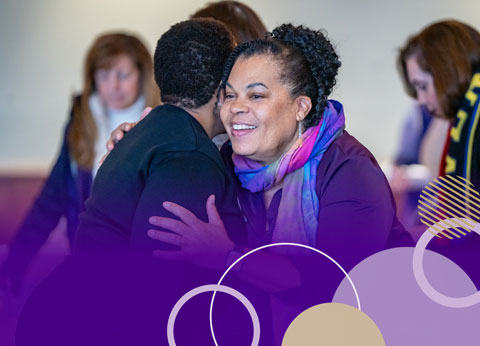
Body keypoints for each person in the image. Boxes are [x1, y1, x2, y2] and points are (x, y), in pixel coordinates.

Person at [112, 23, 414, 344]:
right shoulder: (229, 160)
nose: (236, 108)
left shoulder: (347, 168)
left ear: (301, 107)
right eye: (229, 95)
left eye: (256, 95)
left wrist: (227, 256)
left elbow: (333, 282)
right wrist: (138, 142)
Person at [15, 18, 247, 346]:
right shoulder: (188, 154)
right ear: (221, 88)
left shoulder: (146, 132)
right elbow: (156, 286)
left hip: (58, 312)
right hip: (84, 328)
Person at [0, 32, 158, 296]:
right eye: (104, 75)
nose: (114, 86)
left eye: (123, 74)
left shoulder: (157, 121)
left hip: (140, 269)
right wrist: (10, 273)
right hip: (87, 261)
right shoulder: (82, 118)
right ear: (92, 77)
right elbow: (50, 201)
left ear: (142, 75)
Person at [398, 20, 480, 287]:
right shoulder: (461, 113)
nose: (420, 100)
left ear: (446, 71)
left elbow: (468, 228)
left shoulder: (474, 113)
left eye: (422, 86)